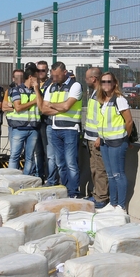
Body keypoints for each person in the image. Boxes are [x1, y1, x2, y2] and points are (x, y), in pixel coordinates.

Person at [40, 62, 83, 198]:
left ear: (65, 72)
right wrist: (58, 107)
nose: (54, 78)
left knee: (71, 163)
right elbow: (43, 108)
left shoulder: (75, 86)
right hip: (54, 128)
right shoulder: (52, 86)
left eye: (57, 75)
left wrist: (52, 105)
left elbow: (66, 106)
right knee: (60, 163)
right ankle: (64, 188)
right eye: (52, 75)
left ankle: (73, 192)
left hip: (70, 129)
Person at [94, 72, 134, 212]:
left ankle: (121, 206)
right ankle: (112, 203)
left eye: (109, 81)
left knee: (118, 175)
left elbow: (129, 121)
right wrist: (100, 137)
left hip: (117, 142)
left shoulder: (119, 99)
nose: (106, 84)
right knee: (110, 174)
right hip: (105, 141)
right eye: (103, 81)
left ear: (114, 83)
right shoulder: (102, 100)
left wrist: (125, 137)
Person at [83, 67, 108, 209]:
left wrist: (99, 136)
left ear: (93, 79)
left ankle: (101, 197)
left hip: (97, 139)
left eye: (87, 78)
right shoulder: (94, 93)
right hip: (90, 137)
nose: (86, 80)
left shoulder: (101, 94)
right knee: (94, 168)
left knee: (100, 169)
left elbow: (103, 117)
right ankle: (96, 194)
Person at [8, 63, 41, 174]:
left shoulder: (37, 91)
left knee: (30, 157)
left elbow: (41, 106)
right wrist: (33, 102)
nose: (39, 80)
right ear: (31, 77)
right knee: (14, 156)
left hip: (33, 128)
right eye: (37, 77)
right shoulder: (16, 90)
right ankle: (11, 179)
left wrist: (37, 90)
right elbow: (18, 107)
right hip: (19, 128)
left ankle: (26, 179)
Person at [34, 60, 54, 181]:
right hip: (34, 121)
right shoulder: (33, 83)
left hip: (46, 121)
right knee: (36, 152)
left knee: (48, 152)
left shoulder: (51, 84)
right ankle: (38, 175)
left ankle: (49, 177)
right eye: (39, 70)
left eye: (43, 70)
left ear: (47, 71)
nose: (41, 72)